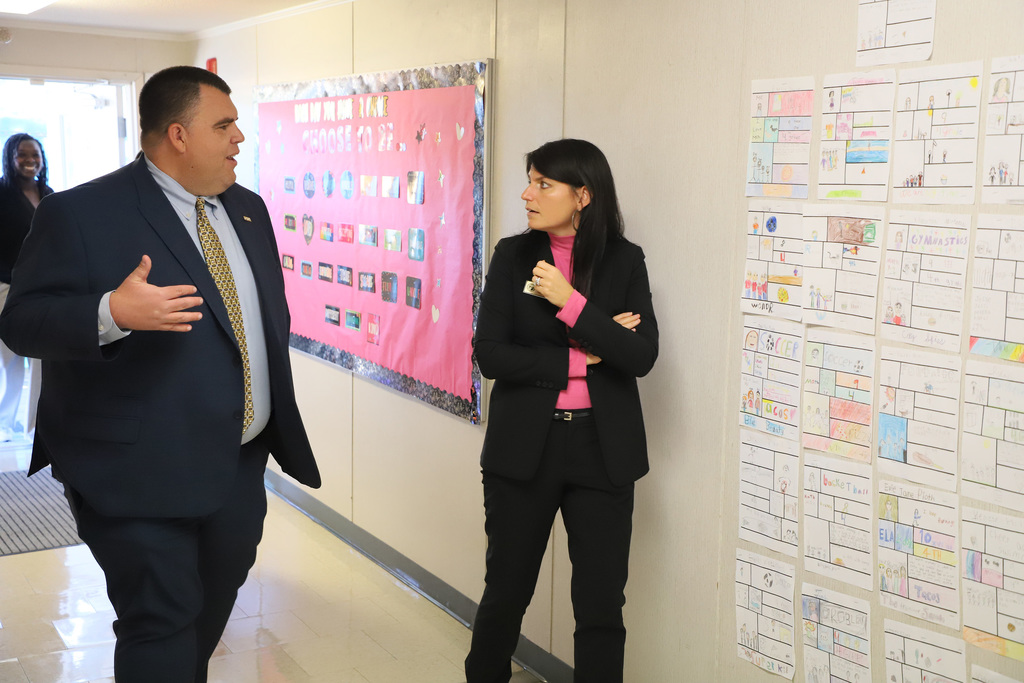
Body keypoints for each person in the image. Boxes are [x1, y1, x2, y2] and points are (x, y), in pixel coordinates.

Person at [0, 66, 321, 682]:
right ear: (178, 134)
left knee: (204, 612)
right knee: (160, 620)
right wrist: (110, 313)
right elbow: (22, 322)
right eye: (224, 125)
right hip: (133, 469)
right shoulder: (80, 213)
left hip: (236, 463)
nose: (239, 138)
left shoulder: (247, 209)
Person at [466, 139, 658, 682]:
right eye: (530, 181)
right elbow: (490, 354)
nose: (527, 194)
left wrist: (571, 303)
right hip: (526, 447)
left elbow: (641, 356)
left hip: (603, 451)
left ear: (583, 196)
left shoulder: (625, 260)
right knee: (506, 593)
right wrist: (584, 356)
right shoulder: (513, 256)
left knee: (601, 607)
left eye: (543, 184)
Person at [0, 133, 51, 441]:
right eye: (23, 155)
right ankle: (5, 423)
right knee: (12, 360)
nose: (30, 160)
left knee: (43, 358)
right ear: (10, 157)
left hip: (41, 289)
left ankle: (34, 426)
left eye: (35, 155)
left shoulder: (49, 194)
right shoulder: (2, 193)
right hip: (5, 286)